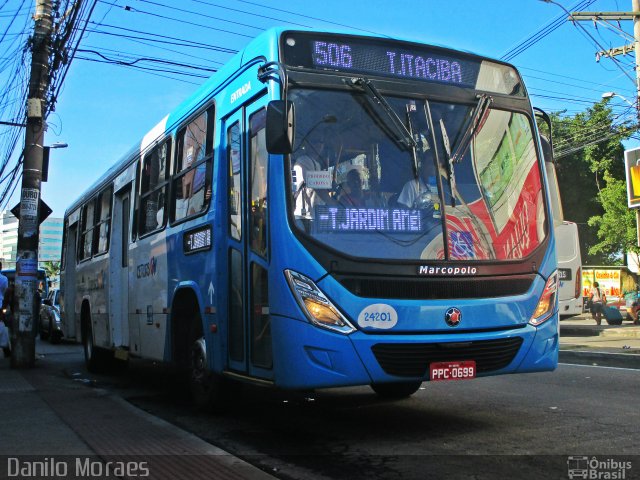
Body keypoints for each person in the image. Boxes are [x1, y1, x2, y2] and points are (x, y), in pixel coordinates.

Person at [0, 262, 9, 357]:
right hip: (0, 305)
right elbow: (5, 292)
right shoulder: (3, 279)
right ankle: (6, 348)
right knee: (2, 325)